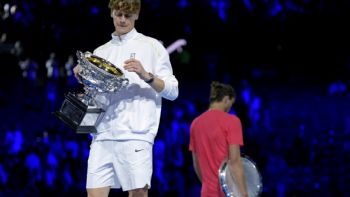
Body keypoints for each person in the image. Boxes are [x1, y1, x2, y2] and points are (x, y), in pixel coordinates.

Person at [73, 0, 179, 196]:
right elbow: (96, 99)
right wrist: (83, 78)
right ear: (111, 13)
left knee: (138, 194)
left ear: (136, 15)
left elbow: (173, 91)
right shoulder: (100, 52)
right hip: (102, 137)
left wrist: (146, 75)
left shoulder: (152, 46)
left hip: (136, 136)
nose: (122, 20)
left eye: (128, 15)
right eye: (118, 14)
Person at [189, 81, 248, 197]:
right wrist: (244, 194)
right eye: (231, 103)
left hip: (206, 193)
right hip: (228, 193)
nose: (230, 108)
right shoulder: (232, 121)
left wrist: (207, 185)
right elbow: (234, 162)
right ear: (226, 99)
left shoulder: (195, 123)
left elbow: (196, 164)